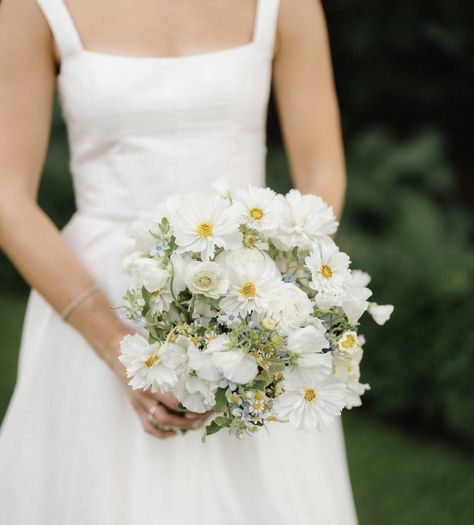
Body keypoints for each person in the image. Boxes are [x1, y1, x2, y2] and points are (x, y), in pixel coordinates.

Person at [0, 0, 358, 523]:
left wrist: (274, 302)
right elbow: (8, 198)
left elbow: (323, 170)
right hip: (99, 297)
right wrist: (119, 348)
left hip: (250, 290)